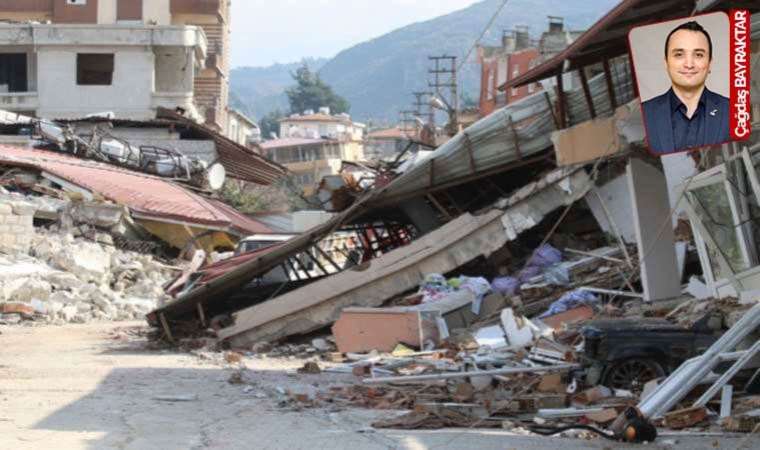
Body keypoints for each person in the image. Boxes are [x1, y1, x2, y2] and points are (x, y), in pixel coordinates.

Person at [642, 20, 729, 154]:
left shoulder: (732, 110)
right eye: (679, 54)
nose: (689, 64)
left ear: (710, 63)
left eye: (698, 55)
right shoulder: (646, 114)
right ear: (666, 62)